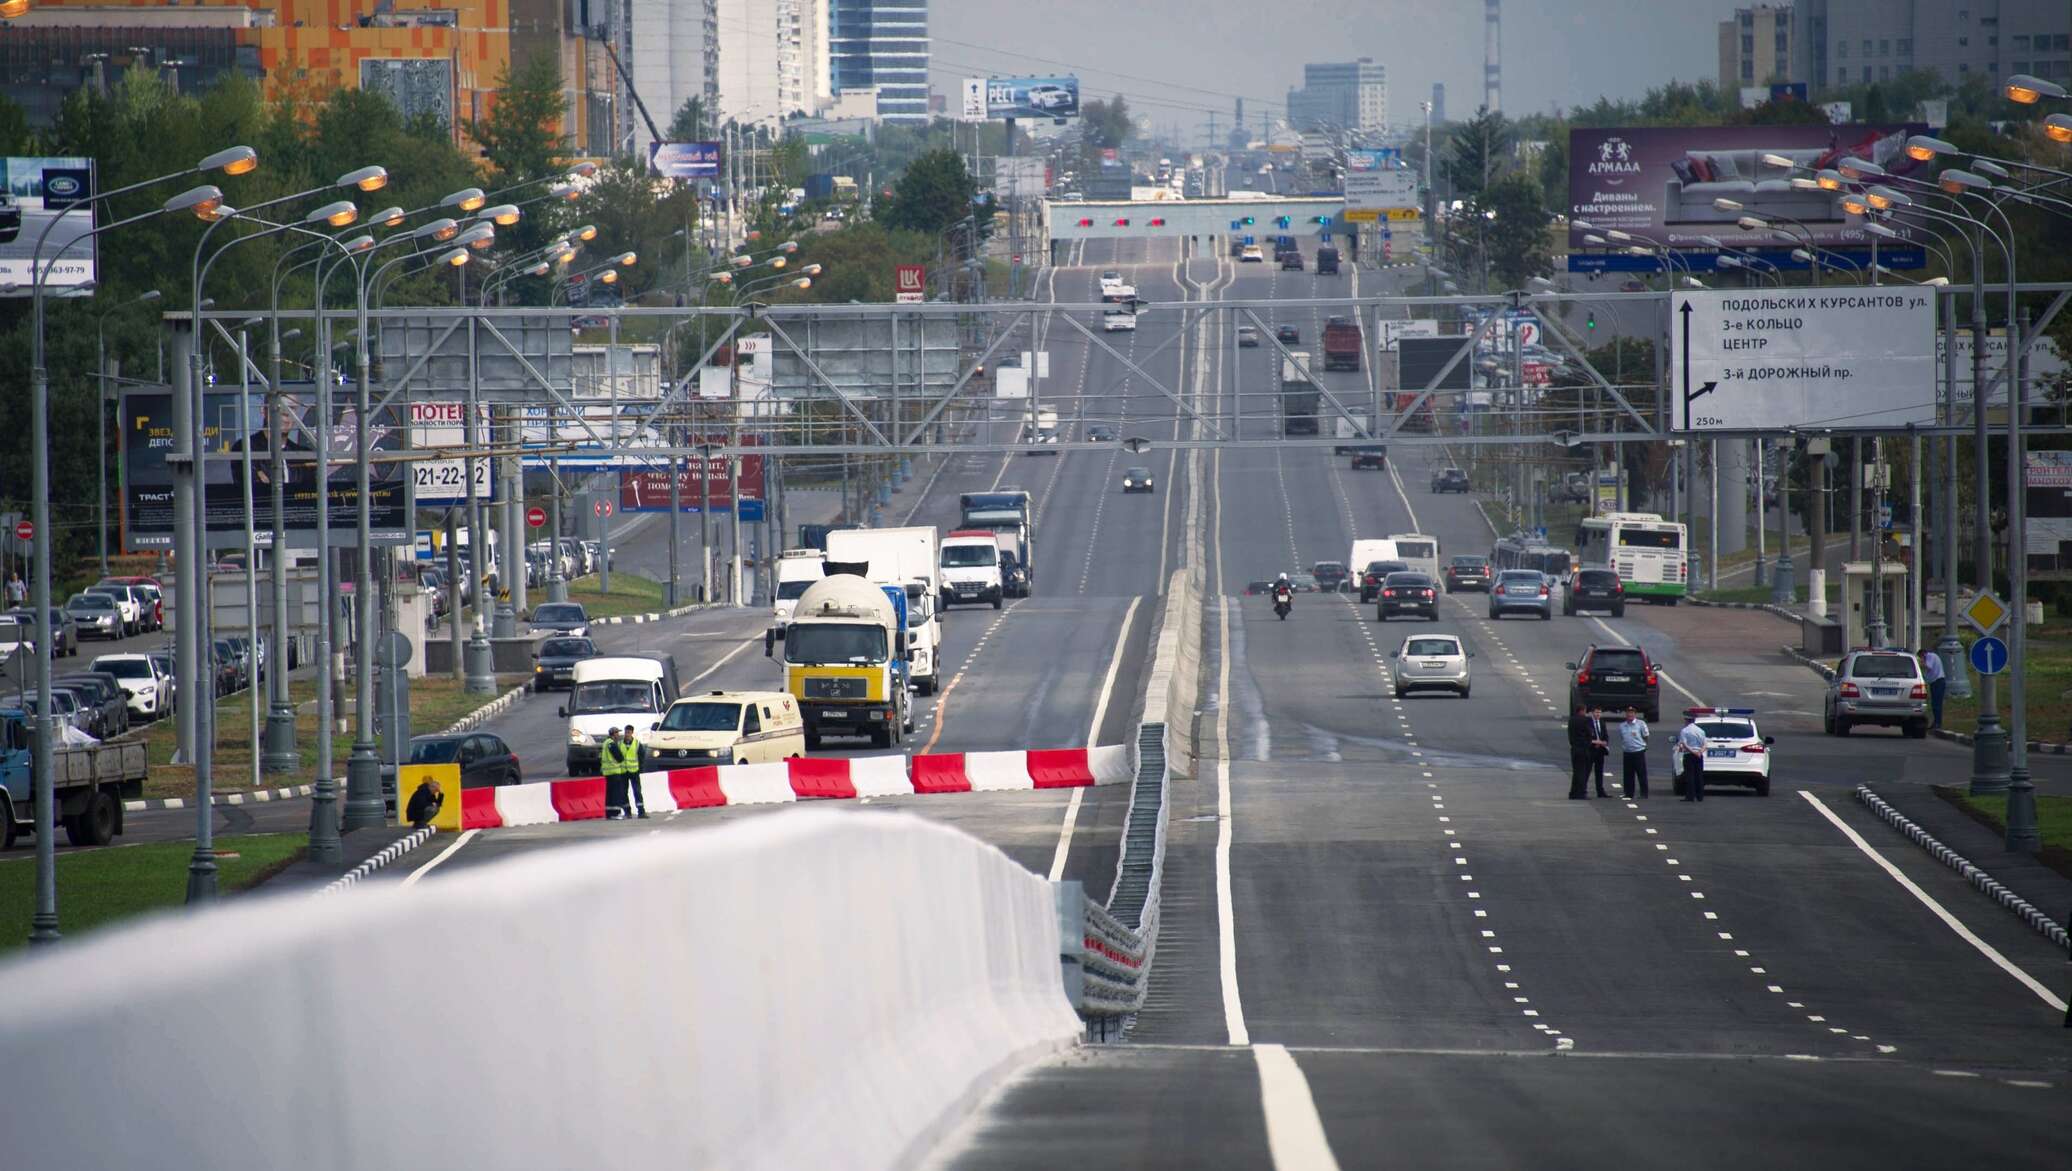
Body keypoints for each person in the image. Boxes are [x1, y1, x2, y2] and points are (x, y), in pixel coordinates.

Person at [1675, 711, 1708, 802]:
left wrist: (1693, 752)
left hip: (1689, 755)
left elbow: (1684, 744)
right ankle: (1700, 796)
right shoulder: (1700, 731)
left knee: (1690, 776)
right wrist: (1699, 752)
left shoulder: (1685, 731)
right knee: (1699, 776)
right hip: (1699, 755)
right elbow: (1705, 745)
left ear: (1686, 720)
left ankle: (1690, 796)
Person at [1618, 706, 1650, 798]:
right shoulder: (1622, 725)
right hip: (1627, 752)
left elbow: (1646, 736)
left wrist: (1644, 745)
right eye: (1628, 712)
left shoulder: (1641, 724)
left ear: (1635, 714)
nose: (1630, 714)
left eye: (1632, 713)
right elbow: (1622, 738)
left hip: (1638, 751)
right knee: (1628, 774)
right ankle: (1628, 793)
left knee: (1641, 773)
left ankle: (1644, 793)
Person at [601, 726, 632, 819]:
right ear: (613, 734)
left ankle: (609, 813)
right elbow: (619, 757)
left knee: (609, 794)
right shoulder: (612, 744)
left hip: (607, 772)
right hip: (614, 771)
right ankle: (615, 813)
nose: (618, 735)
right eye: (617, 733)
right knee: (615, 794)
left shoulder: (606, 743)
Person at [1566, 702, 1595, 799]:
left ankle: (1573, 792)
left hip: (1574, 748)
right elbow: (1590, 733)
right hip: (1584, 749)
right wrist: (1588, 742)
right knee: (1583, 772)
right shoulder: (1586, 720)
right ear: (1583, 711)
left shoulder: (1571, 720)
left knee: (1576, 771)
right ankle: (1581, 793)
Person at [623, 723, 648, 819]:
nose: (627, 734)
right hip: (623, 772)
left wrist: (640, 769)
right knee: (623, 793)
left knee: (637, 792)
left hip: (634, 771)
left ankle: (641, 812)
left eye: (629, 732)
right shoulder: (620, 744)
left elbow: (642, 757)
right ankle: (627, 812)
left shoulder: (637, 744)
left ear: (632, 733)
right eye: (626, 732)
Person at [1920, 647, 1947, 729]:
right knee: (1935, 704)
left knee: (1937, 704)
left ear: (1923, 654)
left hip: (1938, 682)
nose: (1921, 659)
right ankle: (1936, 722)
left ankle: (1938, 723)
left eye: (1921, 657)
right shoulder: (1933, 656)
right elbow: (1928, 673)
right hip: (1935, 682)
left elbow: (1929, 667)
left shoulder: (1930, 656)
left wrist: (1923, 663)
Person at [1589, 705, 1611, 798]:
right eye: (1596, 712)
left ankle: (1600, 791)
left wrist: (1604, 742)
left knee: (1599, 771)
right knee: (1587, 770)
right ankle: (1583, 790)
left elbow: (1605, 735)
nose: (1598, 714)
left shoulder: (1602, 722)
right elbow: (1587, 736)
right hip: (1591, 750)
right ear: (1592, 713)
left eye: (1599, 712)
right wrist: (1595, 742)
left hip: (1600, 750)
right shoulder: (1588, 723)